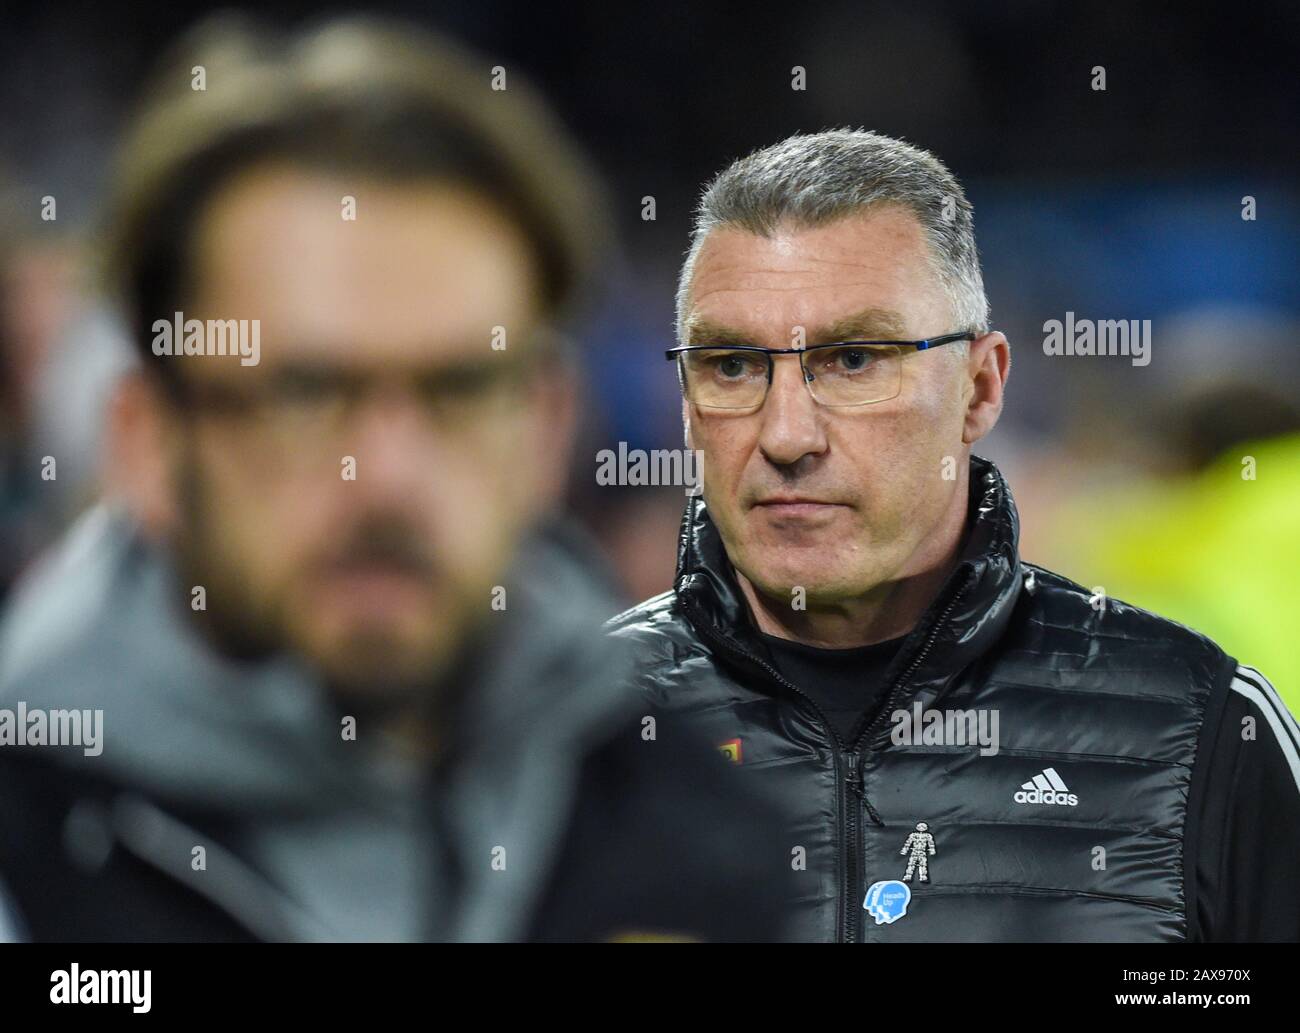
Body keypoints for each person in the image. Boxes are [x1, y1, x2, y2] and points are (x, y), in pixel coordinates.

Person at [0, 15, 790, 943]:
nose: (385, 476)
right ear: (146, 441)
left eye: (459, 388)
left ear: (545, 429)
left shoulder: (707, 846)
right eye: (303, 392)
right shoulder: (28, 850)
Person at [608, 129, 1300, 942]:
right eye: (731, 365)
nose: (787, 434)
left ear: (980, 387)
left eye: (856, 359)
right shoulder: (554, 734)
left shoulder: (1204, 729)